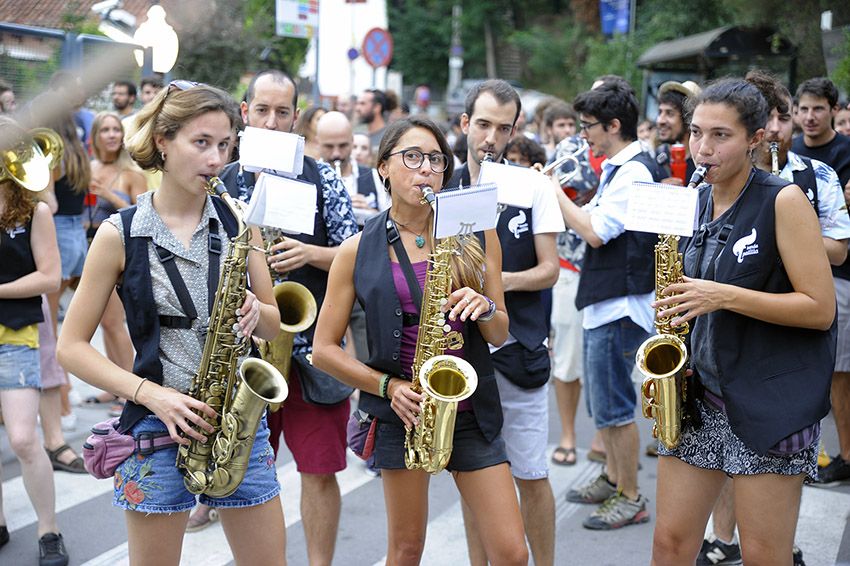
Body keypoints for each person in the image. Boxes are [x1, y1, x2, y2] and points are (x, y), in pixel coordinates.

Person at [56, 81, 286, 565]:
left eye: (224, 145)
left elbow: (273, 325)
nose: (215, 159)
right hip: (155, 433)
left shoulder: (242, 221)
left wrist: (255, 312)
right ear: (162, 140)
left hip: (238, 428)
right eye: (201, 143)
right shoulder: (120, 233)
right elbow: (71, 347)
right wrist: (151, 395)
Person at [311, 115, 528, 566]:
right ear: (384, 167)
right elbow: (324, 349)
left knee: (510, 551)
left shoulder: (474, 229)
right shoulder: (357, 248)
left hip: (469, 408)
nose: (426, 169)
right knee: (406, 550)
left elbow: (500, 331)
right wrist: (387, 388)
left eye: (435, 160)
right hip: (402, 411)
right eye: (412, 157)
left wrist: (485, 306)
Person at [650, 78, 836, 565]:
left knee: (762, 555)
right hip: (700, 396)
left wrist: (723, 295)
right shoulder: (695, 200)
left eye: (719, 136)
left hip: (769, 401)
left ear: (755, 138)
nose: (702, 149)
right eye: (695, 133)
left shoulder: (784, 200)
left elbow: (820, 310)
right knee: (669, 545)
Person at [217, 69, 358, 565]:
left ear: (296, 117)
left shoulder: (323, 175)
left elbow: (355, 252)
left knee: (319, 470)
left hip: (310, 348)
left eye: (282, 112)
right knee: (242, 474)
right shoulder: (222, 179)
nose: (272, 122)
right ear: (244, 113)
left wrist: (311, 254)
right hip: (241, 351)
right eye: (262, 111)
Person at [447, 79, 561, 566]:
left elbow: (550, 268)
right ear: (465, 124)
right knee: (475, 479)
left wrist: (496, 286)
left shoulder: (532, 185)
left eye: (503, 127)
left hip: (519, 350)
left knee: (531, 475)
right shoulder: (441, 187)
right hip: (458, 354)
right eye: (484, 124)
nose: (491, 137)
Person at [558, 80, 660, 529]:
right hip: (606, 300)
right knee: (603, 404)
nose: (585, 136)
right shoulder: (619, 167)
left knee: (615, 407)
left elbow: (597, 231)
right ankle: (614, 476)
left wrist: (553, 195)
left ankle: (631, 495)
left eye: (589, 128)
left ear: (614, 126)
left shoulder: (635, 169)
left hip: (620, 305)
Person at [0, 116, 69, 565]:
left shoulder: (35, 211)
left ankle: (49, 530)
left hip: (15, 334)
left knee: (24, 439)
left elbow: (51, 277)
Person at [791, 77, 850, 487]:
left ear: (833, 110)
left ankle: (846, 454)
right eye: (803, 109)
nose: (810, 117)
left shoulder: (845, 152)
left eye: (818, 109)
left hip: (840, 274)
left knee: (840, 375)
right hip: (795, 275)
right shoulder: (790, 154)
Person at [31, 90, 92, 432]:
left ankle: (64, 405)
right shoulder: (76, 150)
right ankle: (67, 395)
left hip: (56, 234)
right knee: (61, 326)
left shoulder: (48, 152)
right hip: (74, 237)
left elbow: (49, 203)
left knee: (50, 330)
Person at [83, 111, 147, 409]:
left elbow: (145, 213)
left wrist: (109, 193)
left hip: (122, 250)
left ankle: (129, 388)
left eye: (115, 130)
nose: (111, 135)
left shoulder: (131, 172)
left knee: (113, 321)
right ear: (95, 136)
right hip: (89, 246)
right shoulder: (88, 167)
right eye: (104, 130)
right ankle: (114, 385)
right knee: (102, 324)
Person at [316, 110, 388, 227]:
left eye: (343, 145)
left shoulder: (374, 176)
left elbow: (390, 222)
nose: (336, 154)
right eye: (329, 146)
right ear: (317, 143)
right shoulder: (309, 176)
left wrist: (370, 213)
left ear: (352, 141)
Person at [655, 80, 701, 185]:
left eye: (669, 114)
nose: (660, 121)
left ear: (688, 119)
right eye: (660, 112)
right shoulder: (657, 157)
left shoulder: (702, 162)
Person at [355, 88, 388, 155]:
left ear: (377, 108)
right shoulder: (357, 133)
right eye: (357, 104)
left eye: (362, 104)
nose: (357, 108)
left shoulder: (389, 137)